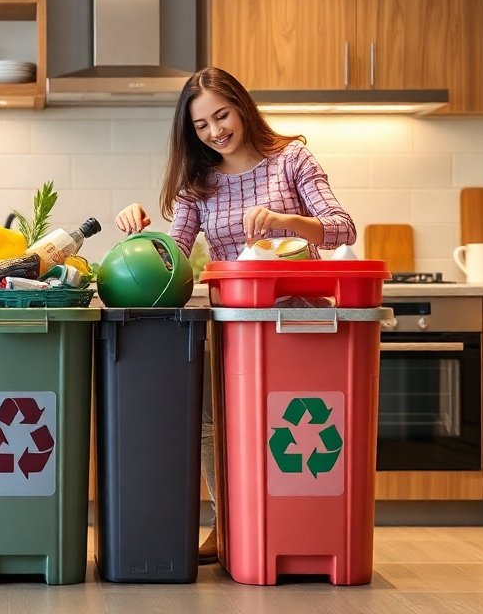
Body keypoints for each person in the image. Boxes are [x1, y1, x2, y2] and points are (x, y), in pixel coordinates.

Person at [114, 67, 356, 564]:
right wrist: (139, 230)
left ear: (242, 106)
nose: (215, 131)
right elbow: (171, 259)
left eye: (221, 115)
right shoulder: (198, 186)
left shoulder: (291, 159)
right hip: (235, 324)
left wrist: (285, 221)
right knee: (212, 421)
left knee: (285, 424)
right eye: (201, 125)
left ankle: (301, 521)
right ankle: (227, 522)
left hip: (298, 322)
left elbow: (342, 228)